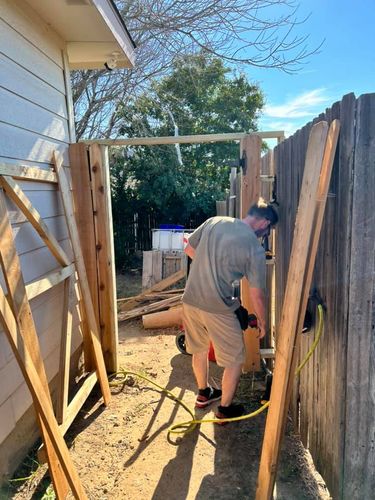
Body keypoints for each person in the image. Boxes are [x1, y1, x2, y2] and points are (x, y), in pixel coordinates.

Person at [182, 198, 278, 422]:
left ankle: (204, 394)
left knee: (199, 349)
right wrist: (262, 323)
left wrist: (211, 266)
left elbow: (188, 247)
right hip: (218, 307)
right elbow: (257, 293)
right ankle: (225, 409)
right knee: (235, 360)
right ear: (264, 223)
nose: (266, 235)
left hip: (190, 300)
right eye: (269, 231)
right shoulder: (254, 247)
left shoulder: (215, 221)